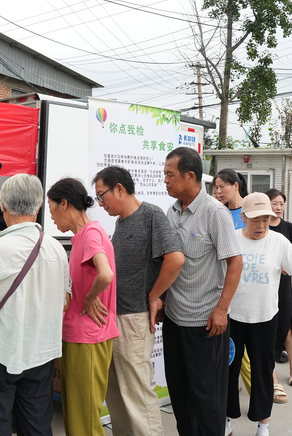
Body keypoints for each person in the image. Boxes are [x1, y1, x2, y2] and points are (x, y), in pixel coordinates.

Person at [0, 174, 71, 436]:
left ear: (3, 206)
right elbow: (65, 301)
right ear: (38, 207)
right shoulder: (55, 248)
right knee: (36, 422)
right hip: (42, 353)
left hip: (1, 352)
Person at [227, 192, 292, 436]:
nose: (261, 225)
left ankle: (263, 424)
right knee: (228, 370)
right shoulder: (232, 240)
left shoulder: (278, 242)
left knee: (263, 372)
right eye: (255, 219)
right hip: (232, 317)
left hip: (265, 317)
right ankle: (227, 419)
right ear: (243, 217)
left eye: (266, 219)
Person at [93, 166, 185, 436]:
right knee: (116, 393)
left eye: (102, 196)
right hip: (114, 316)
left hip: (133, 317)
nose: (101, 203)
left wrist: (155, 295)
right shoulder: (121, 221)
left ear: (119, 188)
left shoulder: (151, 215)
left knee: (136, 393)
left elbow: (176, 258)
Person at [162, 147, 243, 436]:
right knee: (180, 397)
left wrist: (222, 309)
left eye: (170, 175)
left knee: (207, 399)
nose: (166, 181)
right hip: (174, 320)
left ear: (191, 176)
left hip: (206, 324)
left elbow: (235, 262)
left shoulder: (214, 213)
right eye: (164, 175)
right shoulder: (171, 212)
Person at [47, 178, 119, 436]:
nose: (51, 216)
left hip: (88, 336)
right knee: (77, 415)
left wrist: (90, 298)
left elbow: (106, 274)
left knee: (85, 420)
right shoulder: (83, 235)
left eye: (52, 207)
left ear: (64, 204)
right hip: (79, 335)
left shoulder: (90, 234)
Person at [266, 189, 292, 389]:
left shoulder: (289, 228)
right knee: (268, 326)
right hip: (263, 283)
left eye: (281, 204)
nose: (279, 207)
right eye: (275, 203)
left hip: (283, 283)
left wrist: (286, 267)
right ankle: (270, 373)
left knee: (286, 324)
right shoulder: (261, 227)